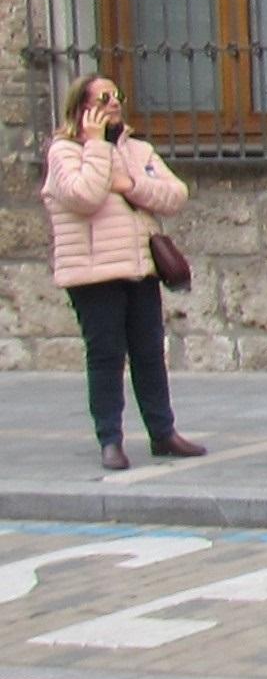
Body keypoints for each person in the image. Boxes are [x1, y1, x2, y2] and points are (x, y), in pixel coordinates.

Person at [42, 72, 202, 471]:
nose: (114, 103)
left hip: (139, 268)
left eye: (117, 96)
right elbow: (83, 196)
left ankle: (163, 432)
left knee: (150, 354)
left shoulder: (137, 149)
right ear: (82, 109)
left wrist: (129, 184)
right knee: (106, 356)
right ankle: (110, 439)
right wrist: (96, 147)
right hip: (92, 273)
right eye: (103, 98)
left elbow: (174, 194)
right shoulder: (63, 152)